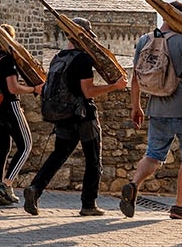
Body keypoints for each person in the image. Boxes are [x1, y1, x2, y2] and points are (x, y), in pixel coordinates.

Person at [118, 1, 182, 220]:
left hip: (156, 109)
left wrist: (136, 107)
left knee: (153, 154)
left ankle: (134, 184)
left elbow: (135, 77)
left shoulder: (145, 39)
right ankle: (180, 206)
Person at [22, 16, 127, 217]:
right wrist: (114, 86)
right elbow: (87, 91)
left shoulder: (58, 57)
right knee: (93, 159)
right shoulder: (83, 59)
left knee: (58, 155)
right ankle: (88, 204)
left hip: (62, 115)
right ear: (85, 36)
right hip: (83, 116)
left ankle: (35, 189)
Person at [0, 24, 43, 207]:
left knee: (2, 150)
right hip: (9, 106)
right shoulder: (8, 60)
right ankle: (6, 184)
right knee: (25, 145)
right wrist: (34, 89)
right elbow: (13, 88)